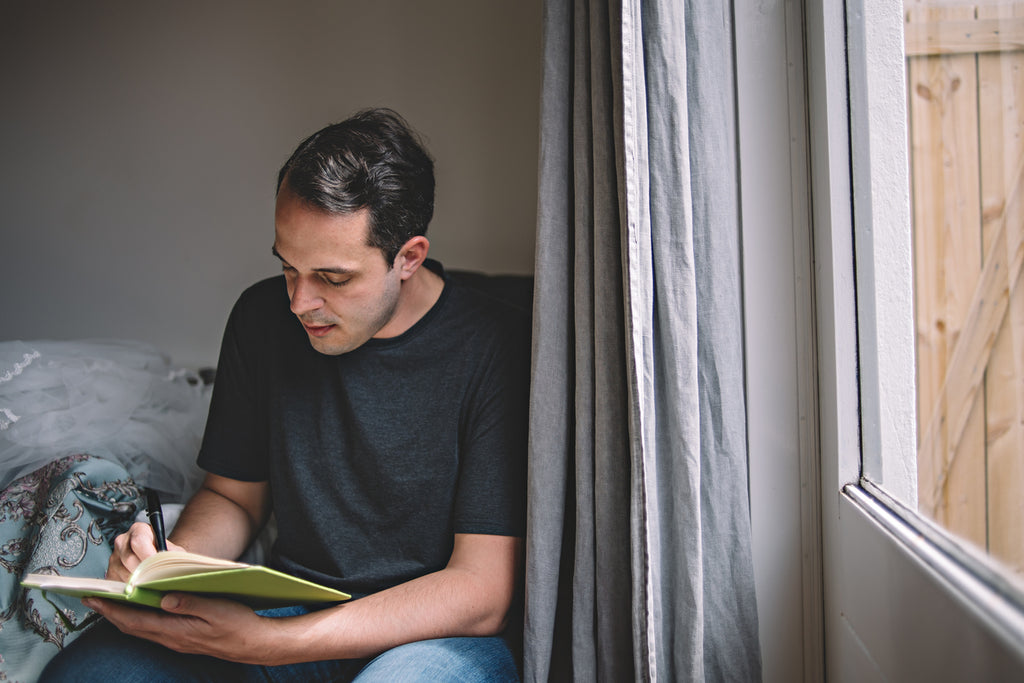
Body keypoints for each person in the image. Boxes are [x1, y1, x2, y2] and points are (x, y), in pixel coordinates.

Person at [40, 108, 529, 682]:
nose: (300, 302)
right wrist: (170, 567)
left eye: (333, 278)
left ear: (409, 258)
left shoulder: (497, 345)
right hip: (284, 613)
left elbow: (481, 590)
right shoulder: (260, 317)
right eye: (288, 268)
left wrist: (269, 644)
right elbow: (233, 498)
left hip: (433, 639)